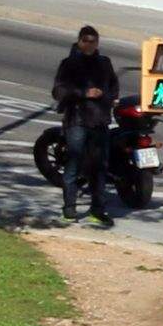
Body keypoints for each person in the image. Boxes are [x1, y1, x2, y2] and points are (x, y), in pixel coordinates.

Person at [51, 26, 122, 225]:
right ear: (80, 41)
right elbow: (59, 91)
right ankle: (69, 208)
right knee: (73, 164)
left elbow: (113, 86)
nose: (90, 44)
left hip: (99, 120)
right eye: (86, 40)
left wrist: (109, 98)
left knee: (100, 167)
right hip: (77, 120)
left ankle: (98, 209)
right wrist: (84, 93)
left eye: (93, 41)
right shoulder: (69, 64)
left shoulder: (104, 63)